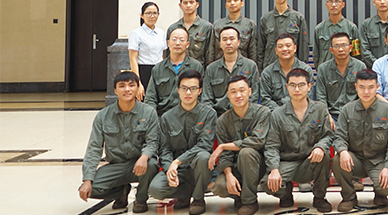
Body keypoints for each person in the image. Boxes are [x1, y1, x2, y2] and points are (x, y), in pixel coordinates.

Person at [79, 71, 159, 214]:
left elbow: (153, 141)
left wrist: (144, 157)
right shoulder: (103, 116)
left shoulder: (149, 112)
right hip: (116, 166)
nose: (127, 89)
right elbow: (94, 149)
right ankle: (121, 191)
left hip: (140, 163)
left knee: (152, 165)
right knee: (90, 189)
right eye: (122, 86)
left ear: (138, 88)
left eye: (131, 85)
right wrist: (87, 180)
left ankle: (141, 199)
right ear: (115, 90)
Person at [262, 68, 334, 213]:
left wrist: (320, 146)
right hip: (288, 163)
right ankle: (285, 194)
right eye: (292, 85)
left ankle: (319, 197)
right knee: (266, 184)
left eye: (301, 85)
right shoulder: (277, 114)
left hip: (310, 161)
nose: (297, 89)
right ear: (287, 87)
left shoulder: (320, 109)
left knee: (324, 155)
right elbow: (272, 146)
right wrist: (274, 170)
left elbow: (328, 135)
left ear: (309, 86)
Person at [148, 70, 216, 215]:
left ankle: (198, 198)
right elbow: (165, 149)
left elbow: (205, 145)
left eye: (193, 88)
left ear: (200, 91)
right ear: (178, 90)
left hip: (198, 167)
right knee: (155, 189)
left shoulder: (209, 114)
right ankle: (185, 193)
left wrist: (178, 161)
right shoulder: (167, 117)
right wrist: (169, 170)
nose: (188, 92)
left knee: (204, 156)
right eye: (184, 88)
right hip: (179, 170)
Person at [332, 69, 388, 211]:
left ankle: (380, 194)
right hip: (356, 160)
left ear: (377, 87)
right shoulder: (347, 110)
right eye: (362, 87)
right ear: (356, 87)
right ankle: (349, 197)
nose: (366, 92)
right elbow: (339, 136)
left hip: (379, 160)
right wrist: (343, 151)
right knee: (338, 159)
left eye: (371, 87)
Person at [210, 74, 271, 215]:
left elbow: (257, 141)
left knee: (246, 152)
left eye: (242, 90)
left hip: (260, 166)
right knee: (220, 186)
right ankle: (240, 196)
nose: (238, 95)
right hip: (237, 167)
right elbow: (225, 156)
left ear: (250, 91)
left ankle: (250, 202)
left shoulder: (263, 112)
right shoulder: (223, 121)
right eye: (233, 92)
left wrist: (223, 146)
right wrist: (229, 175)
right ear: (228, 95)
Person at [145, 26, 204, 117]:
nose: (177, 43)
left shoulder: (196, 66)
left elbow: (202, 96)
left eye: (182, 40)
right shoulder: (158, 69)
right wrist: (154, 118)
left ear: (187, 44)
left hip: (190, 115)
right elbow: (150, 99)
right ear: (168, 43)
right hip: (163, 116)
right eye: (174, 39)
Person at [201, 26, 259, 116]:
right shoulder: (211, 69)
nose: (228, 42)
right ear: (220, 44)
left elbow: (254, 96)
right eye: (224, 39)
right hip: (218, 116)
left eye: (232, 39)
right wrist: (213, 117)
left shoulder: (250, 66)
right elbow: (206, 99)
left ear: (238, 42)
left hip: (244, 115)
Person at [258, 0, 309, 70]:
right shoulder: (265, 19)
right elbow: (260, 48)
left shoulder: (298, 17)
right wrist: (261, 70)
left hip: (293, 68)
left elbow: (303, 46)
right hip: (270, 67)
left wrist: (301, 68)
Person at [316, 32, 365, 122]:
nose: (341, 49)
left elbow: (363, 94)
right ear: (331, 50)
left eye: (344, 45)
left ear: (350, 48)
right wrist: (327, 116)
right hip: (331, 115)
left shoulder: (360, 67)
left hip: (354, 114)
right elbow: (320, 97)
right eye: (336, 46)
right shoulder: (323, 69)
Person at [260, 34, 314, 111]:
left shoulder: (306, 70)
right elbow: (265, 99)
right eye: (280, 46)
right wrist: (280, 113)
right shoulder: (267, 73)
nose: (284, 49)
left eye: (288, 45)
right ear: (276, 51)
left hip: (300, 112)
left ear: (295, 48)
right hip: (275, 114)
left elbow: (308, 95)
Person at [129, 1, 167, 100]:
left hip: (160, 71)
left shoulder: (161, 33)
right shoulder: (136, 33)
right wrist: (137, 82)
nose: (152, 16)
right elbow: (133, 59)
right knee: (145, 101)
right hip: (144, 71)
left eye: (155, 13)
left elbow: (162, 55)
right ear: (142, 15)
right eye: (148, 13)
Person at [165, 0, 214, 68]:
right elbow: (167, 54)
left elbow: (210, 54)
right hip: (177, 70)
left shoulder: (206, 27)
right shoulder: (173, 28)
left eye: (191, 2)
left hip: (198, 71)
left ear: (197, 5)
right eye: (185, 3)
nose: (188, 5)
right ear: (180, 5)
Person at [313, 0, 360, 67]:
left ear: (343, 5)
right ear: (326, 5)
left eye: (337, 2)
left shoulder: (351, 28)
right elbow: (316, 55)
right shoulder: (319, 29)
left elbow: (356, 54)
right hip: (326, 71)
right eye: (330, 2)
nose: (334, 5)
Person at [211, 0, 257, 66]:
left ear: (242, 3)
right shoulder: (217, 25)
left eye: (235, 0)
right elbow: (211, 50)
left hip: (243, 67)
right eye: (229, 1)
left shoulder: (249, 24)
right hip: (220, 66)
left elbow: (253, 51)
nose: (232, 3)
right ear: (225, 5)